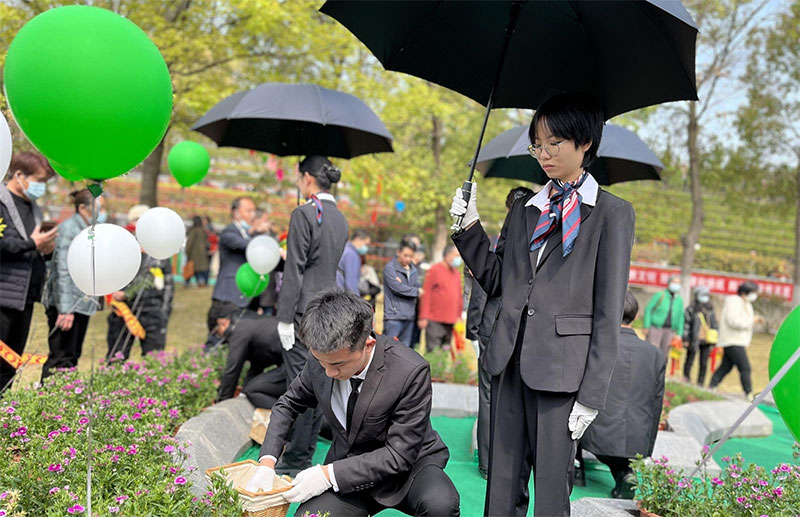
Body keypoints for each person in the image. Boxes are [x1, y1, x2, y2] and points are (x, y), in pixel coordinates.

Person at [449, 91, 635, 516]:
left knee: (551, 493)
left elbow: (608, 312)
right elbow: (498, 281)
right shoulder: (525, 210)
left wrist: (591, 394)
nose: (544, 154)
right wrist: (469, 227)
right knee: (501, 485)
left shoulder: (611, 213)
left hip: (562, 375)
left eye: (555, 143)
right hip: (509, 363)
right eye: (537, 145)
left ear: (585, 142)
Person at [247, 291, 459, 516]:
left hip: (409, 468)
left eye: (338, 364)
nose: (328, 372)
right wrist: (267, 463)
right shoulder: (323, 358)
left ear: (368, 344)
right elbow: (288, 404)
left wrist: (327, 475)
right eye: (321, 361)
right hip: (348, 467)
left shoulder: (410, 370)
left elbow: (399, 455)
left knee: (440, 505)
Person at [275, 155, 348, 474]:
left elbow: (294, 270)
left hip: (303, 311)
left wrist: (284, 317)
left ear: (307, 178)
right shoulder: (340, 218)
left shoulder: (304, 214)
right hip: (328, 309)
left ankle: (295, 459)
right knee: (320, 382)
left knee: (301, 385)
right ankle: (302, 454)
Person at [466, 186, 533, 479]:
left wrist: (473, 328)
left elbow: (485, 288)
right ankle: (510, 462)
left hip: (493, 326)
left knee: (488, 395)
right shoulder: (538, 240)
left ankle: (488, 463)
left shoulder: (504, 239)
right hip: (521, 329)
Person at [578, 291, 665, 499]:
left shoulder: (595, 345)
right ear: (636, 316)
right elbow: (657, 404)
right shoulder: (655, 354)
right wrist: (647, 447)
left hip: (595, 436)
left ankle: (577, 468)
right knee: (623, 458)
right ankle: (625, 474)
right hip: (636, 439)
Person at [0, 152, 58, 392]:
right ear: (19, 175)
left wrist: (46, 249)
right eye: (39, 180)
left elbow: (31, 245)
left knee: (11, 362)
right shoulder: (2, 203)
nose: (41, 187)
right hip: (4, 294)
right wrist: (33, 244)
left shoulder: (33, 208)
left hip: (25, 296)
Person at [41, 189, 104, 380]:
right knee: (61, 357)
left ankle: (64, 395)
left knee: (73, 355)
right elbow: (63, 271)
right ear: (83, 208)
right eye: (99, 207)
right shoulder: (69, 230)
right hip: (66, 305)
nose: (101, 212)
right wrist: (65, 310)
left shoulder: (91, 229)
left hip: (82, 301)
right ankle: (48, 395)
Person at [106, 208, 174, 362]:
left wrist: (164, 312)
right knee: (117, 357)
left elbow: (168, 285)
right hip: (124, 311)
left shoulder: (160, 252)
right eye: (138, 221)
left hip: (153, 311)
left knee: (154, 360)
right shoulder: (122, 247)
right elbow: (111, 273)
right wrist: (116, 292)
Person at [207, 197, 270, 337]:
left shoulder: (248, 234)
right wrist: (256, 233)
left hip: (247, 298)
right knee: (221, 339)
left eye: (254, 211)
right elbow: (248, 247)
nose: (253, 215)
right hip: (229, 298)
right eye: (248, 211)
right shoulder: (229, 232)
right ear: (236, 213)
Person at [215, 311, 285, 405]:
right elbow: (258, 364)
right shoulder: (251, 323)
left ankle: (287, 411)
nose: (218, 335)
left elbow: (232, 369)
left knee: (252, 390)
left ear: (223, 323)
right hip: (296, 362)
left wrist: (222, 402)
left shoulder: (239, 332)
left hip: (293, 365)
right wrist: (242, 392)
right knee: (250, 388)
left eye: (216, 331)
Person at [709, 281, 762, 400]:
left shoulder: (746, 303)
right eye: (753, 292)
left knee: (726, 366)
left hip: (738, 340)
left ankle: (712, 386)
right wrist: (752, 320)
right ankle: (748, 392)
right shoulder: (733, 302)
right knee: (745, 367)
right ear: (745, 292)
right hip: (732, 340)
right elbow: (733, 321)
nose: (755, 295)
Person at [418, 245, 463, 352]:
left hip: (451, 320)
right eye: (456, 256)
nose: (459, 259)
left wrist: (458, 316)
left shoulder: (456, 273)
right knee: (433, 351)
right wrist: (423, 316)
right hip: (435, 320)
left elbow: (458, 296)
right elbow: (426, 293)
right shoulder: (435, 269)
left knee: (445, 351)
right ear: (447, 255)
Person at [382, 240, 422, 347]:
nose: (408, 259)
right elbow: (397, 288)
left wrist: (411, 289)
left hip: (409, 316)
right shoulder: (390, 268)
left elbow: (418, 286)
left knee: (405, 349)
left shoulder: (414, 270)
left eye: (411, 256)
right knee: (388, 348)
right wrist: (416, 291)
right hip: (394, 316)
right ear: (398, 252)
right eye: (405, 255)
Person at [643, 276, 685, 363]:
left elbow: (681, 317)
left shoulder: (679, 300)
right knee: (651, 351)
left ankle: (660, 371)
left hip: (670, 330)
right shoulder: (660, 295)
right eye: (674, 282)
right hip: (655, 328)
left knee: (664, 354)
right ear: (669, 283)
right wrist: (646, 325)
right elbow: (648, 309)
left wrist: (679, 334)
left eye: (678, 283)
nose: (676, 285)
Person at [682, 286, 718, 386]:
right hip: (694, 338)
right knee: (690, 359)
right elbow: (686, 324)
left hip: (707, 339)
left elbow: (714, 324)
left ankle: (701, 382)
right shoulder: (691, 309)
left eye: (706, 295)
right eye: (702, 295)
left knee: (704, 362)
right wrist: (686, 338)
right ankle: (686, 378)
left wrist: (715, 338)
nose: (705, 297)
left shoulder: (710, 309)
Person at [336, 229, 371, 295]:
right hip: (341, 294)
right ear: (358, 239)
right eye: (366, 244)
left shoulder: (344, 249)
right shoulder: (351, 254)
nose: (366, 248)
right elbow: (351, 284)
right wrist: (356, 299)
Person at [185, 215, 211, 287]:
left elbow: (189, 243)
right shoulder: (203, 230)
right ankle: (203, 282)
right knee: (202, 269)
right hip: (203, 254)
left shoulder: (193, 231)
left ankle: (189, 283)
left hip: (194, 254)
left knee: (192, 269)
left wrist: (187, 252)